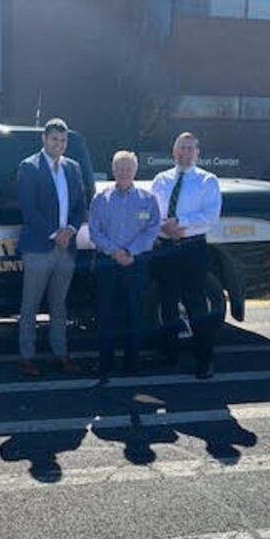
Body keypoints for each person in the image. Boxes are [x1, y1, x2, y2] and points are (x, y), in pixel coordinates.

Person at [17, 118, 87, 377]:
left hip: (66, 247)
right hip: (39, 246)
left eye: (63, 140)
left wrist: (71, 229)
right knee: (30, 306)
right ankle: (27, 357)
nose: (59, 144)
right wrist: (54, 232)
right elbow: (28, 209)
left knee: (59, 306)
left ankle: (61, 353)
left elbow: (81, 204)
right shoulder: (29, 167)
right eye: (54, 139)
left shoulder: (73, 168)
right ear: (44, 139)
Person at [151, 131, 222, 379]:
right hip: (165, 248)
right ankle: (169, 354)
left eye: (190, 148)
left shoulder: (208, 181)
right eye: (182, 147)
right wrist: (163, 226)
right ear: (174, 150)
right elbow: (153, 212)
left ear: (197, 152)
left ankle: (205, 359)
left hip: (192, 249)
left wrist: (179, 222)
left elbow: (210, 218)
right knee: (167, 303)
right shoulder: (161, 179)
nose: (185, 152)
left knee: (196, 306)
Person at [88, 151, 160, 380]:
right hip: (108, 263)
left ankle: (132, 363)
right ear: (113, 169)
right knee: (106, 314)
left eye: (128, 167)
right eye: (120, 167)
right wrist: (115, 252)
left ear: (135, 170)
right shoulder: (101, 199)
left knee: (135, 313)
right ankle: (105, 363)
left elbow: (152, 229)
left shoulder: (147, 199)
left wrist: (130, 252)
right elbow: (94, 231)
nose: (124, 171)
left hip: (135, 263)